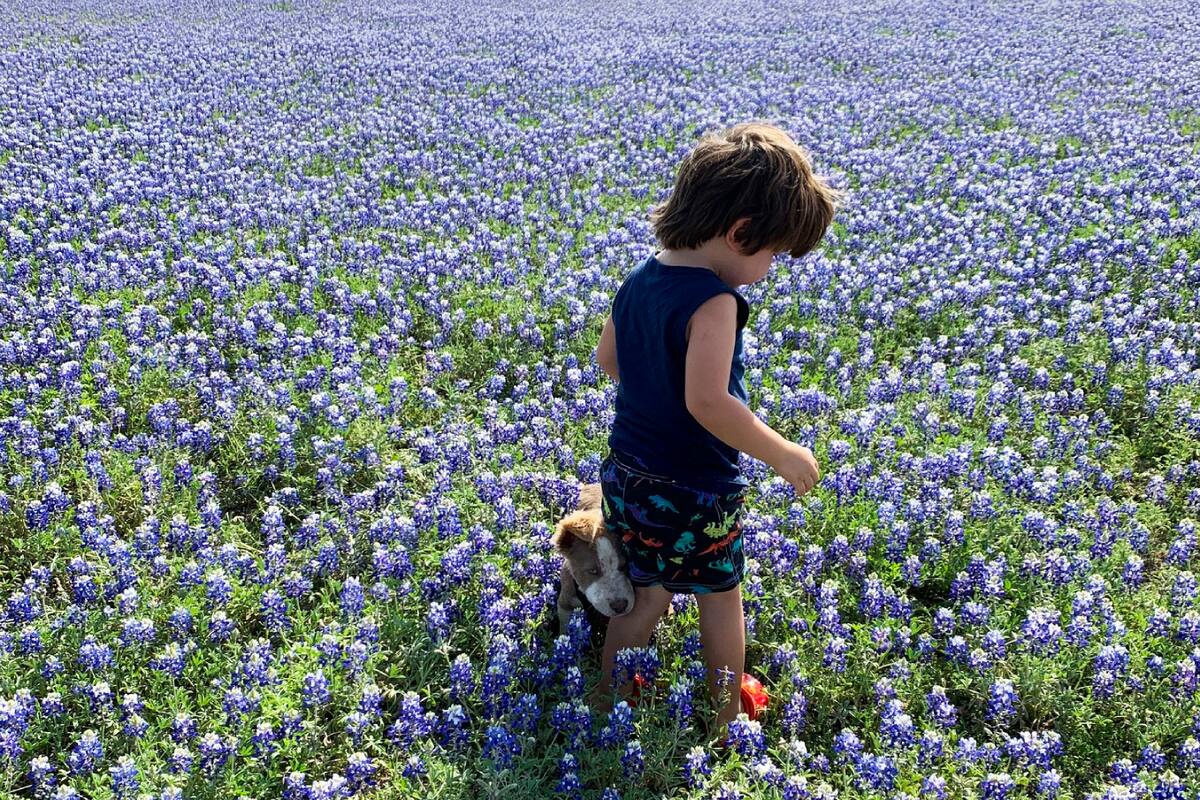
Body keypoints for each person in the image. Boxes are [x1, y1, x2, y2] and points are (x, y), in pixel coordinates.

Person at [590, 121, 842, 733]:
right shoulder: (715, 301)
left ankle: (608, 698)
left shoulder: (641, 279)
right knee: (720, 596)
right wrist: (781, 453)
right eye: (774, 253)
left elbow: (608, 361)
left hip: (628, 474)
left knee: (645, 593)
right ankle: (725, 713)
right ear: (740, 233)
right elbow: (709, 402)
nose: (772, 266)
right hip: (694, 489)